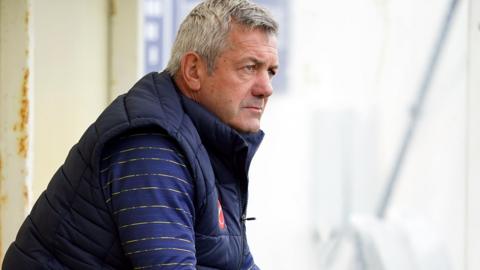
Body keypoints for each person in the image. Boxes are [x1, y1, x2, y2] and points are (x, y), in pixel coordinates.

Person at [2, 0, 279, 269]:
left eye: (271, 72)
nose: (266, 88)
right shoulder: (153, 148)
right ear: (193, 70)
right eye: (249, 68)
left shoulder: (212, 142)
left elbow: (237, 262)